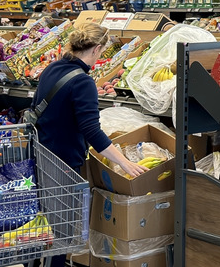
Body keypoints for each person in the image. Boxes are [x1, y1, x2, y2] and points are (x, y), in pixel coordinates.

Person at [31, 23, 147, 267]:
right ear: (95, 49)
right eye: (102, 51)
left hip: (42, 152)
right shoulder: (82, 81)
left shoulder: (53, 68)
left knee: (51, 223)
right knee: (62, 229)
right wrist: (125, 163)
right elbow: (92, 130)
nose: (102, 55)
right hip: (63, 160)